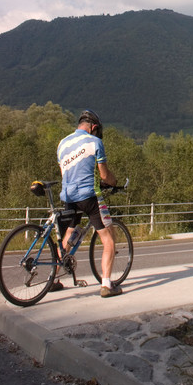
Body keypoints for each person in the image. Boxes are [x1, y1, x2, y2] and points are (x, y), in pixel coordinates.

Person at [56, 109, 122, 298]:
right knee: (108, 238)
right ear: (93, 127)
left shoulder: (62, 143)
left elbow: (65, 174)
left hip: (68, 196)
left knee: (69, 233)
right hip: (88, 196)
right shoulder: (95, 142)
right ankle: (107, 285)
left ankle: (53, 278)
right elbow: (104, 175)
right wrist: (113, 182)